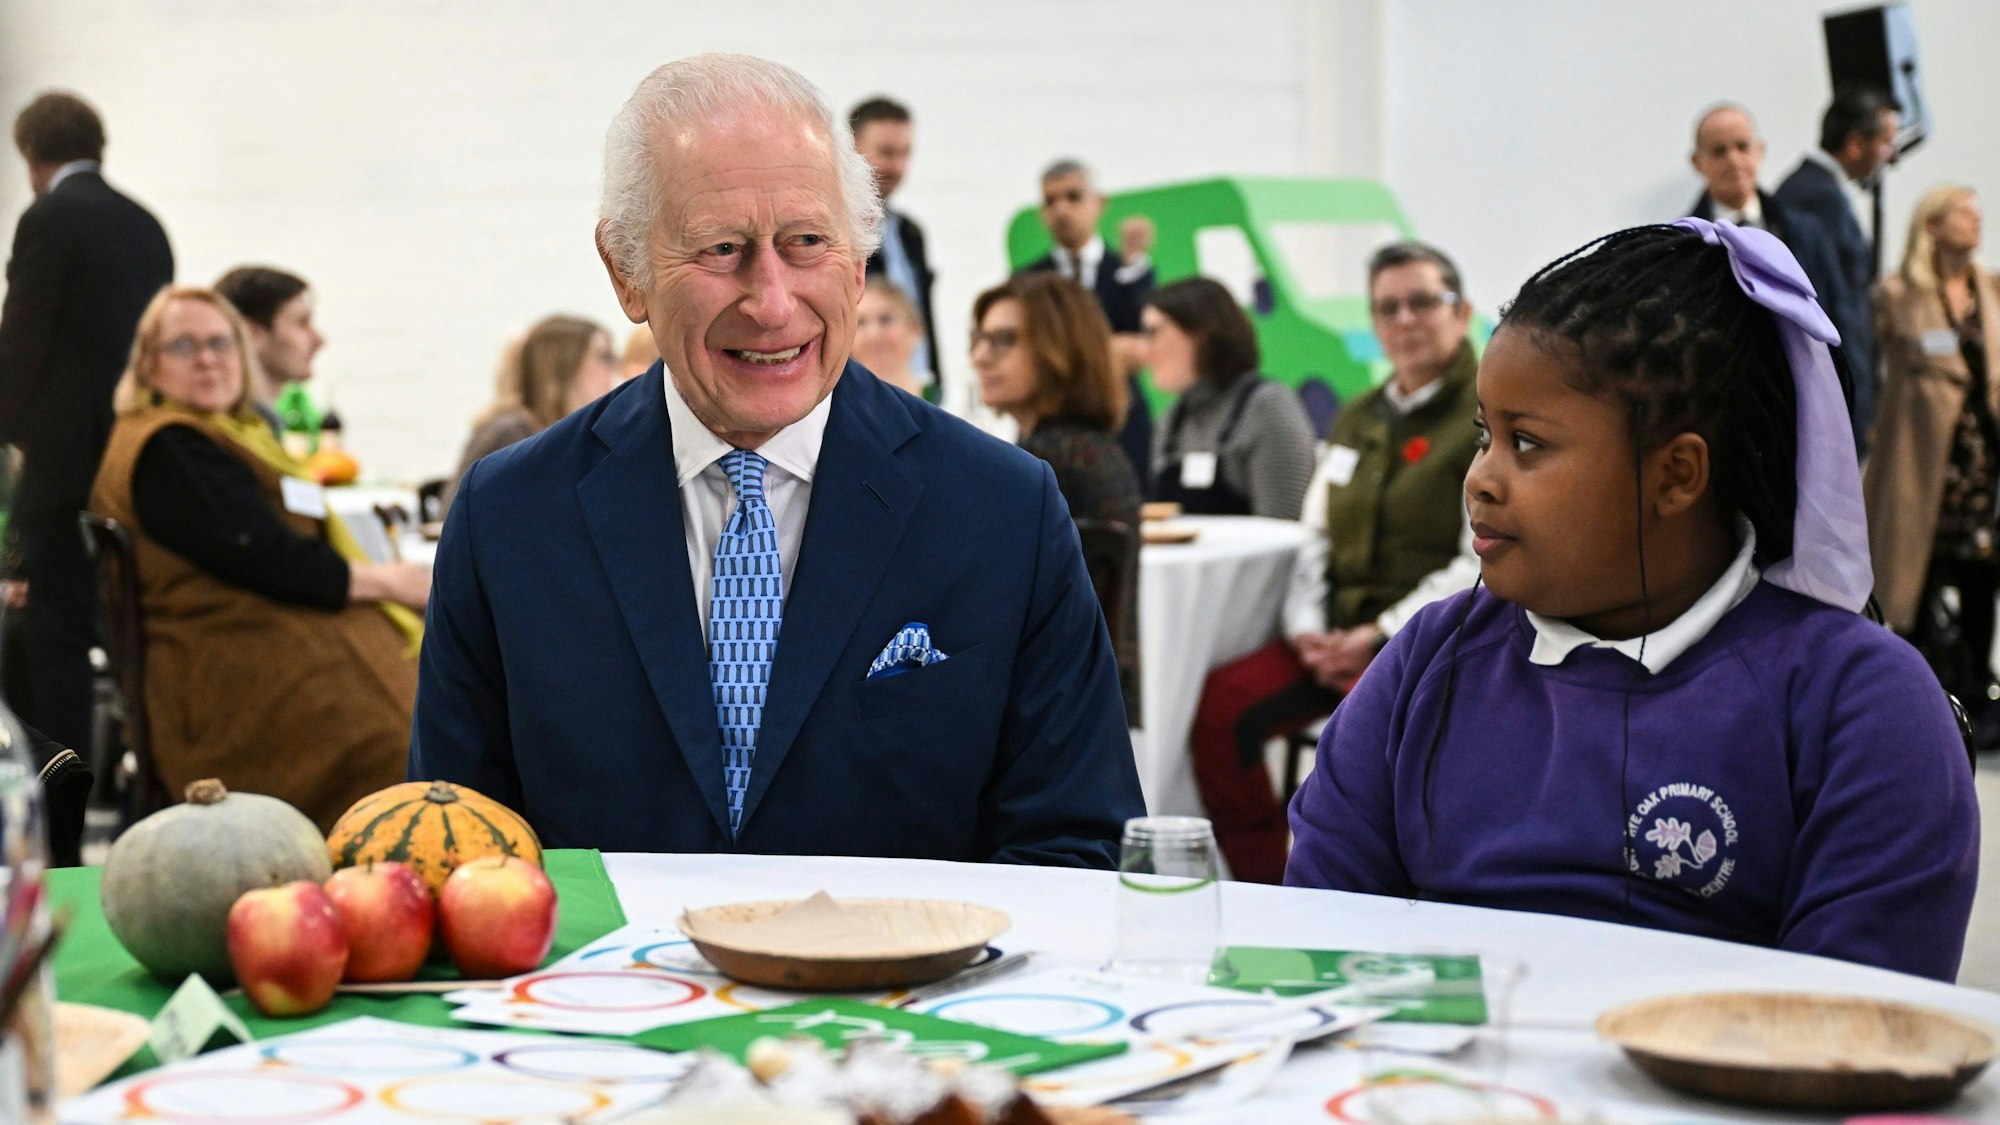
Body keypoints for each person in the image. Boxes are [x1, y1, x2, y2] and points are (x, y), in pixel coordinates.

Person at [412, 54, 1142, 866]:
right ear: (627, 271)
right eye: (721, 249)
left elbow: (1080, 847)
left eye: (805, 242)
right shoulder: (510, 517)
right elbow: (455, 857)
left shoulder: (1003, 510)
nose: (771, 301)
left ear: (860, 263)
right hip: (608, 992)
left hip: (908, 990)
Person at [1287, 221, 1979, 982]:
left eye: (1528, 443)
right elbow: (1320, 942)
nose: (1480, 478)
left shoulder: (1857, 700)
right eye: (1485, 434)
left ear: (1677, 475)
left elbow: (1854, 1029)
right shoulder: (1431, 657)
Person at [1187, 243, 1481, 883]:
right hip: (1330, 642)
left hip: (1425, 646)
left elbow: (1476, 559)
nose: (1405, 320)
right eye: (1387, 307)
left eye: (1423, 302)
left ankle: (1380, 900)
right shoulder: (1357, 417)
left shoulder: (1485, 414)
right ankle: (1266, 884)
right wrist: (1307, 630)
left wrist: (1378, 636)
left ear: (1463, 313)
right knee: (1218, 711)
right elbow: (1313, 535)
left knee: (1375, 750)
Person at [87, 287, 430, 830]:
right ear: (148, 365)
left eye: (220, 342)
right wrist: (391, 582)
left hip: (255, 662)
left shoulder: (223, 433)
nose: (206, 358)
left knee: (419, 716)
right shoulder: (168, 449)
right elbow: (270, 558)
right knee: (398, 740)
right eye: (183, 345)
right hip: (228, 693)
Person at [0, 92, 173, 752]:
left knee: (56, 642)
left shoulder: (48, 216)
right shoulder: (146, 224)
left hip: (63, 469)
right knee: (123, 635)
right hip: (133, 465)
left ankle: (59, 807)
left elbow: (22, 343)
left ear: (32, 156)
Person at [971, 272, 1143, 720]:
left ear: (1059, 348)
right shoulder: (1091, 448)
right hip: (1089, 704)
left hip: (1043, 712)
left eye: (1003, 340)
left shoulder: (1046, 462)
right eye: (980, 339)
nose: (980, 356)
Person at [1863, 185, 2000, 742]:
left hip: (1980, 469)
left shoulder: (1991, 291)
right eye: (1962, 212)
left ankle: (1978, 702)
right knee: (1910, 594)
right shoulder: (1896, 296)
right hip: (1920, 471)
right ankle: (1915, 707)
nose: (1976, 220)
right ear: (1933, 225)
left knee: (1979, 584)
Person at [1776, 87, 1903, 448]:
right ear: (1854, 144)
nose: (1890, 155)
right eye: (1885, 141)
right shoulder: (1815, 198)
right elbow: (1832, 311)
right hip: (1826, 392)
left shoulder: (1816, 190)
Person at [1019, 159, 1153, 480]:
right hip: (1050, 426)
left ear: (1099, 203)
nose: (1062, 210)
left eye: (1073, 197)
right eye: (1051, 201)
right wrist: (1106, 352)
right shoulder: (1027, 281)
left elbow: (1143, 346)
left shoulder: (1129, 271)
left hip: (1124, 424)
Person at [1141, 277, 1315, 519]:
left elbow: (1286, 532)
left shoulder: (1267, 408)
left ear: (1201, 334)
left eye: (1153, 332)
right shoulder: (1170, 422)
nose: (1144, 350)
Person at [440, 314, 618, 514]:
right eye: (605, 356)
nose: (614, 368)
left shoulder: (574, 435)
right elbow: (455, 518)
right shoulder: (509, 432)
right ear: (564, 364)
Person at [1685, 103, 1843, 324]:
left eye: (1742, 147)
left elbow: (1838, 312)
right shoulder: (1685, 244)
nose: (1733, 160)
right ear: (1697, 162)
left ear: (1759, 151)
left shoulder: (1806, 231)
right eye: (1719, 151)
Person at [851, 97, 939, 392]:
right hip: (862, 390)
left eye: (905, 154)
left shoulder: (911, 232)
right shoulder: (835, 232)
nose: (897, 166)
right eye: (887, 152)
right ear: (852, 151)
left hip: (917, 388)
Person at [213, 265, 324, 434]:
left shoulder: (264, 426)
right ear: (250, 334)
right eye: (302, 322)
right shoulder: (237, 435)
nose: (320, 340)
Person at [853, 279, 930, 400]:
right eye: (861, 323)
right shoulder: (836, 409)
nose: (873, 334)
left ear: (915, 328)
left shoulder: (949, 403)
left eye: (885, 319)